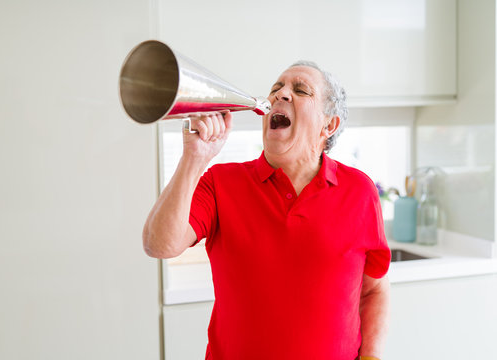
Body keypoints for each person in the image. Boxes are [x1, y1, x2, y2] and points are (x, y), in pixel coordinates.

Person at [143, 61, 391, 360]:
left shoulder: (360, 191)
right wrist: (194, 158)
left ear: (329, 125)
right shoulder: (221, 182)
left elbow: (373, 290)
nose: (280, 94)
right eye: (276, 88)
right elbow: (159, 244)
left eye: (300, 90)